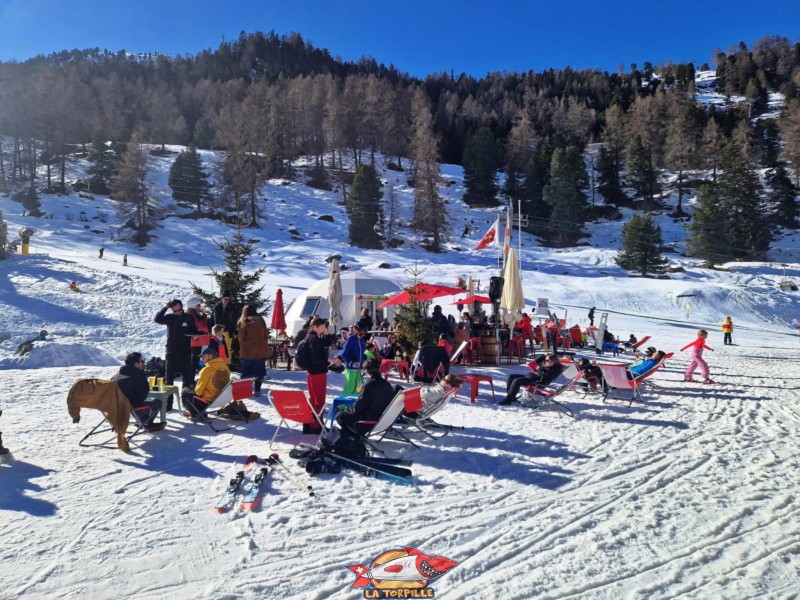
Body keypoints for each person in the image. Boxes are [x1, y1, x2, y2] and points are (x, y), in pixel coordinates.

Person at [336, 358, 395, 437]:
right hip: (383, 419)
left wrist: (345, 409)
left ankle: (354, 438)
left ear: (366, 371)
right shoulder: (386, 384)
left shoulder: (369, 385)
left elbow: (357, 409)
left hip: (369, 421)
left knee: (340, 416)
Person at [305, 316, 343, 434]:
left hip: (312, 373)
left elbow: (327, 341)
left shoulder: (311, 336)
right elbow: (317, 358)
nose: (323, 329)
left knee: (313, 400)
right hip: (318, 373)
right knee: (319, 401)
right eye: (321, 327)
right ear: (314, 327)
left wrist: (326, 331)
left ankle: (310, 424)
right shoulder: (314, 339)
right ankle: (316, 426)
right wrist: (332, 360)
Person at [111, 352, 165, 431]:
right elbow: (142, 396)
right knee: (157, 402)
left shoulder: (116, 376)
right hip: (129, 409)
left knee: (133, 401)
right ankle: (147, 423)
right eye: (142, 361)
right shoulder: (138, 375)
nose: (143, 363)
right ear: (136, 364)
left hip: (113, 408)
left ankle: (141, 421)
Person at [154, 299, 197, 388]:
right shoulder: (170, 317)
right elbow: (157, 319)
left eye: (179, 310)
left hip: (185, 350)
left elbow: (194, 331)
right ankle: (168, 401)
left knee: (186, 378)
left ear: (182, 307)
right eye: (175, 310)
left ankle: (186, 398)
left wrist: (195, 337)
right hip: (171, 350)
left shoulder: (189, 318)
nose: (177, 312)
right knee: (169, 378)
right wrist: (165, 307)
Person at [181, 347, 231, 419]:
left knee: (185, 391)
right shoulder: (225, 367)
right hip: (221, 399)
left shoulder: (207, 369)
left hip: (208, 400)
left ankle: (196, 413)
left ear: (211, 356)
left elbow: (198, 392)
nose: (202, 359)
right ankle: (199, 412)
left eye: (204, 356)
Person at [499, 354, 564, 405]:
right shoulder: (548, 365)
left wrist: (540, 369)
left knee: (517, 381)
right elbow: (535, 361)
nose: (545, 361)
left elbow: (546, 377)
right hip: (531, 377)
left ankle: (508, 400)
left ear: (553, 361)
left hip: (536, 381)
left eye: (547, 360)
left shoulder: (555, 369)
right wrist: (543, 356)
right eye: (545, 360)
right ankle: (511, 397)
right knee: (511, 376)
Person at [237, 304, 271, 396]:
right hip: (260, 351)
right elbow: (265, 334)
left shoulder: (243, 321)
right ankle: (257, 390)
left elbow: (241, 337)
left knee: (246, 373)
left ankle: (245, 391)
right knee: (259, 372)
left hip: (247, 351)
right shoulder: (261, 320)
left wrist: (242, 347)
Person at [186, 297, 210, 376]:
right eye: (198, 305)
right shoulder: (192, 315)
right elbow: (201, 325)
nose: (200, 306)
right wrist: (204, 316)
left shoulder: (196, 314)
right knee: (195, 362)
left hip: (200, 341)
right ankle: (191, 380)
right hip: (196, 341)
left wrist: (203, 315)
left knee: (197, 361)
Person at [341, 324, 367, 395]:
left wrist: (365, 362)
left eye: (364, 333)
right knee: (350, 387)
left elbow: (364, 353)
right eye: (361, 333)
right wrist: (351, 362)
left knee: (358, 387)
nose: (362, 335)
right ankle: (341, 405)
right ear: (357, 331)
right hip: (351, 368)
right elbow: (344, 353)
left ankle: (354, 404)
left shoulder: (362, 340)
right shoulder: (351, 340)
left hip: (359, 368)